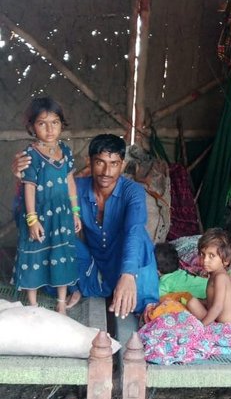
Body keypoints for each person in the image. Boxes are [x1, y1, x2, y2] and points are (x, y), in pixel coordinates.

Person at [13, 132, 159, 318]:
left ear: (122, 165)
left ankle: (137, 293)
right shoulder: (77, 187)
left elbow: (134, 230)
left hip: (124, 261)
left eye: (114, 164)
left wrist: (129, 274)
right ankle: (77, 285)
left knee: (141, 244)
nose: (106, 172)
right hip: (93, 264)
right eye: (100, 162)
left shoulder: (133, 192)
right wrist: (22, 180)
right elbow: (29, 216)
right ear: (89, 161)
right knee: (51, 236)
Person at [12, 97, 81, 314]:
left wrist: (76, 212)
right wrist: (32, 219)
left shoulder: (66, 151)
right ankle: (32, 305)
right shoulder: (30, 155)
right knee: (34, 254)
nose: (50, 129)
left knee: (62, 255)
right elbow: (29, 187)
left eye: (55, 122)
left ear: (62, 124)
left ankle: (61, 302)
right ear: (32, 127)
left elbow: (70, 182)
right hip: (39, 215)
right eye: (42, 123)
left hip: (62, 215)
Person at [187, 228, 231, 326]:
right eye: (202, 254)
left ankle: (208, 327)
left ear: (226, 260)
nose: (205, 260)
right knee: (192, 301)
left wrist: (201, 326)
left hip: (228, 326)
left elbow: (217, 307)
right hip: (226, 322)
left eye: (211, 256)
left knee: (192, 303)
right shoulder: (215, 275)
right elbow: (211, 302)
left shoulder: (220, 277)